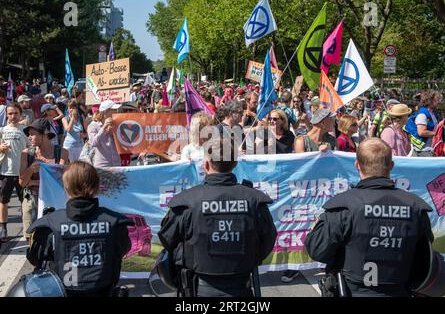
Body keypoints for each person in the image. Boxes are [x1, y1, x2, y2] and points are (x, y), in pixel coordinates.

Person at [304, 138, 434, 297]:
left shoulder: (343, 206)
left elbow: (318, 250)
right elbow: (425, 258)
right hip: (400, 291)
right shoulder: (416, 208)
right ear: (391, 166)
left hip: (353, 291)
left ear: (357, 165)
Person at [158, 137, 277, 297]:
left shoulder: (187, 201)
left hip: (198, 287)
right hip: (240, 285)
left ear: (206, 164)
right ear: (234, 163)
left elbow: (167, 239)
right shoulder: (253, 200)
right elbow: (268, 239)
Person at [26, 161, 133, 297]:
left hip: (62, 292)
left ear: (66, 187)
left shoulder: (50, 223)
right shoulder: (114, 222)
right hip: (104, 291)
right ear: (96, 187)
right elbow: (124, 249)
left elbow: (35, 259)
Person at [19, 119, 69, 239]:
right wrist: (31, 169)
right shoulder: (27, 153)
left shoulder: (61, 152)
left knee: (57, 235)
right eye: (28, 135)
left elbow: (64, 180)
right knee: (32, 238)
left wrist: (34, 181)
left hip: (55, 200)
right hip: (33, 199)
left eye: (32, 134)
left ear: (44, 134)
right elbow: (22, 182)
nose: (29, 137)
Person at [0, 104, 31, 242]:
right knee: (3, 201)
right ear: (7, 114)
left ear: (20, 114)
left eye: (16, 113)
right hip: (5, 172)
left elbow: (32, 147)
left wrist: (28, 151)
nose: (13, 116)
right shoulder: (2, 131)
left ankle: (27, 228)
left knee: (24, 202)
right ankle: (3, 228)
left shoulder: (25, 130)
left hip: (22, 173)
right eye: (11, 113)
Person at [404, 90, 442, 157]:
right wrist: (438, 133)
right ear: (430, 100)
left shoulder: (433, 113)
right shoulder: (422, 114)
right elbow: (421, 132)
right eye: (437, 99)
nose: (439, 101)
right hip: (422, 150)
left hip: (430, 148)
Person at [87, 100, 121, 168]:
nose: (117, 111)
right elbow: (93, 143)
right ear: (106, 112)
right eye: (114, 110)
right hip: (102, 165)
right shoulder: (93, 125)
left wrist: (115, 133)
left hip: (117, 164)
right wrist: (103, 128)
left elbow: (124, 142)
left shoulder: (117, 123)